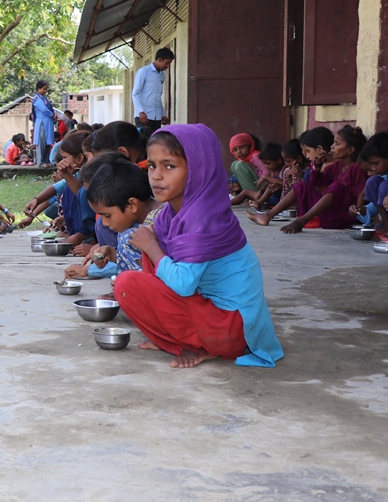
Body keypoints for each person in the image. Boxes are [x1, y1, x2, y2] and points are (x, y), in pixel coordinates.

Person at [117, 123, 283, 369]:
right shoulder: (171, 214)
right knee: (148, 258)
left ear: (198, 169)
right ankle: (174, 338)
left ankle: (196, 345)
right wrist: (151, 247)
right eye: (152, 165)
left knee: (128, 282)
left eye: (169, 166)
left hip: (231, 330)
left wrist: (152, 246)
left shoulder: (202, 217)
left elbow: (183, 285)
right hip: (216, 318)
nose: (156, 175)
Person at [249, 126, 368, 233]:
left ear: (350, 150)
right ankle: (267, 215)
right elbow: (314, 183)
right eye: (333, 143)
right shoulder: (337, 166)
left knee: (336, 187)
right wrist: (317, 166)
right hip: (330, 213)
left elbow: (359, 198)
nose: (332, 147)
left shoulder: (357, 168)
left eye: (337, 144)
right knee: (302, 186)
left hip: (344, 216)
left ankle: (301, 221)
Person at [66, 156, 162, 280]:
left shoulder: (160, 220)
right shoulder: (144, 218)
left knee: (127, 236)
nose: (105, 223)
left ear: (132, 205)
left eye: (107, 216)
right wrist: (113, 255)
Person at [131, 48, 174, 135]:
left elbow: (157, 97)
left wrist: (162, 114)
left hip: (156, 118)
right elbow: (135, 94)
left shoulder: (162, 75)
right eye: (167, 63)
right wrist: (141, 111)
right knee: (143, 143)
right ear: (159, 60)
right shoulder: (144, 72)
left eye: (170, 63)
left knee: (155, 142)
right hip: (143, 117)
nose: (168, 66)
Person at [228, 133, 270, 205]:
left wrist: (253, 168)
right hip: (256, 185)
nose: (239, 152)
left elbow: (267, 174)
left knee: (239, 165)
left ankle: (253, 196)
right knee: (234, 164)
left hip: (265, 188)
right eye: (235, 149)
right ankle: (248, 196)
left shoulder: (255, 156)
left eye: (242, 147)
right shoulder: (243, 159)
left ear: (250, 146)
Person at [31, 80, 56, 166]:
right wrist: (52, 115)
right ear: (38, 88)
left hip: (48, 122)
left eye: (46, 89)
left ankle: (46, 161)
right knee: (41, 142)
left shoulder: (44, 98)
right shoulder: (36, 99)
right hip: (41, 122)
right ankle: (40, 162)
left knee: (48, 142)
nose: (45, 91)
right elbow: (44, 109)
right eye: (44, 89)